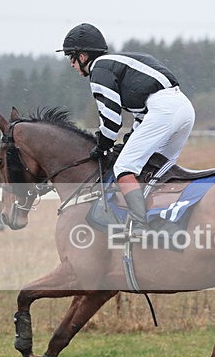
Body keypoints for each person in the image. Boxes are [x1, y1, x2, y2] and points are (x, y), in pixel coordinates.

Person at [57, 23, 196, 240]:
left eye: (71, 58)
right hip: (183, 108)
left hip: (164, 110)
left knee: (124, 168)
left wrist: (101, 146)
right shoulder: (114, 64)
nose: (72, 65)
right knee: (156, 169)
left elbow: (111, 120)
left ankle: (139, 226)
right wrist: (129, 140)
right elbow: (141, 115)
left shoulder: (99, 70)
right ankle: (166, 222)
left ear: (83, 57)